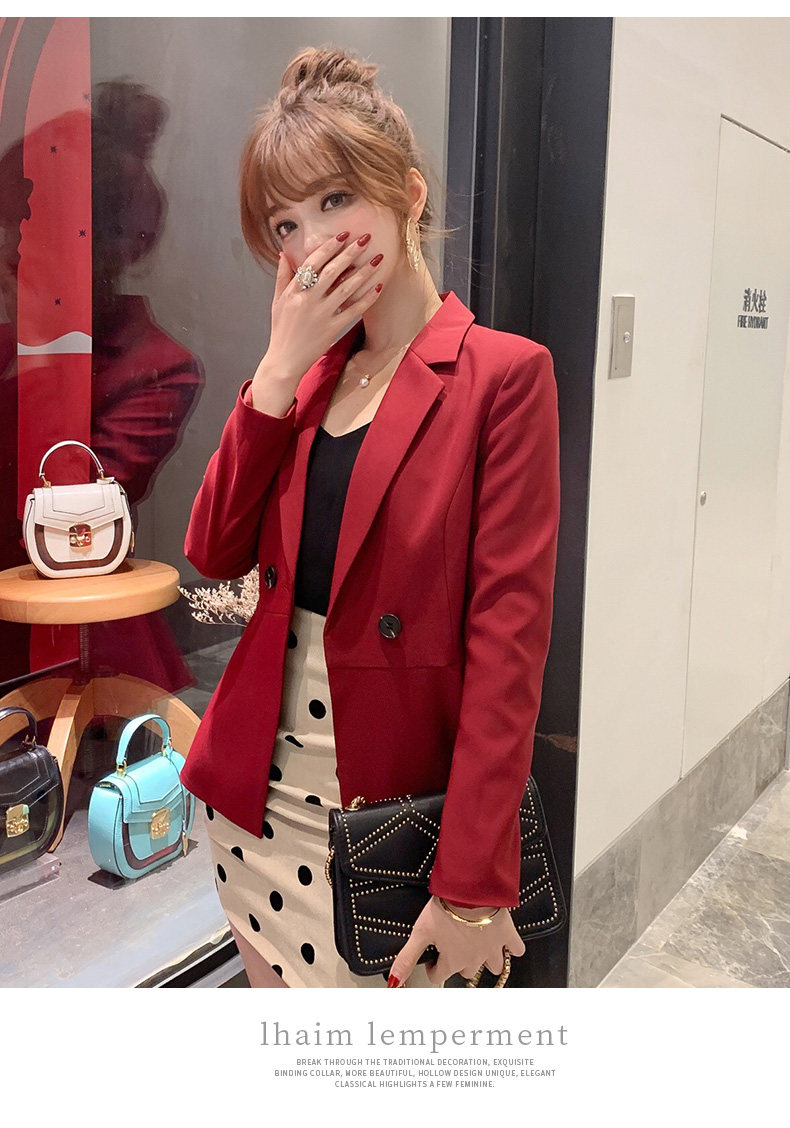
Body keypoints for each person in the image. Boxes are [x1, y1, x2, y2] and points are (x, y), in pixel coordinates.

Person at [180, 46, 560, 989]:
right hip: (254, 811)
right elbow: (212, 549)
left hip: (391, 831)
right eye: (286, 224)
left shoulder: (503, 376)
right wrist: (277, 368)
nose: (313, 245)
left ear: (409, 195)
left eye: (336, 199)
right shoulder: (304, 380)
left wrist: (471, 887)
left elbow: (508, 648)